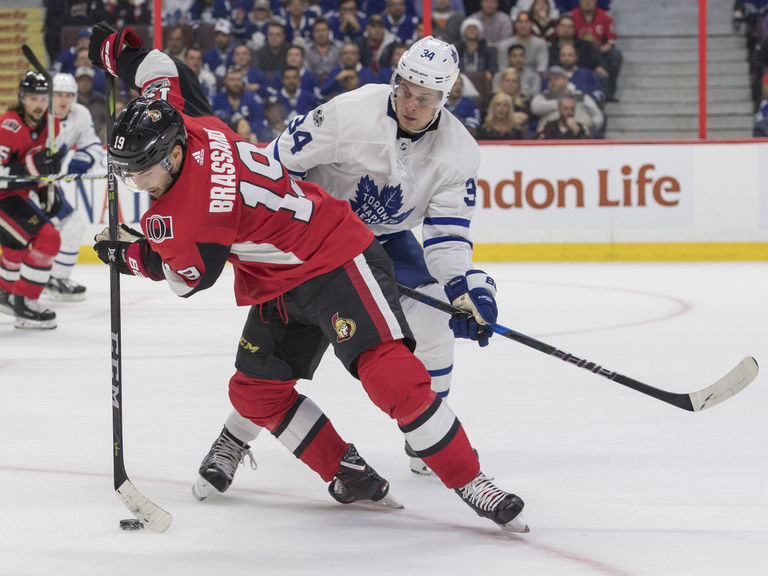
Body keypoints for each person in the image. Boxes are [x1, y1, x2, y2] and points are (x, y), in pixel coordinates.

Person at [86, 22, 529, 535]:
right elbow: (161, 71)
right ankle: (350, 472)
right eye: (405, 90)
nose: (134, 183)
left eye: (138, 171)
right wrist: (123, 56)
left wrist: (128, 255)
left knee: (391, 373)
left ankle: (472, 480)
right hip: (277, 265)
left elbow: (185, 276)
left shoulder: (195, 216)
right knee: (254, 391)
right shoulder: (188, 120)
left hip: (335, 251)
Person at [199, 33, 506, 486]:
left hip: (385, 241)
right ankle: (234, 437)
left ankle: (428, 434)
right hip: (314, 237)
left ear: (446, 96)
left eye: (426, 96)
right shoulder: (348, 112)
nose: (411, 103)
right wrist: (258, 231)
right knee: (278, 350)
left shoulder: (459, 152)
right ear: (395, 78)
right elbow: (276, 164)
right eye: (404, 88)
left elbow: (445, 238)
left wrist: (463, 290)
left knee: (435, 319)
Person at [0, 72, 65, 329]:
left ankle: (5, 293)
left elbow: (44, 167)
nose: (38, 105)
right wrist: (30, 167)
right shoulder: (8, 127)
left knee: (16, 244)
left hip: (15, 197)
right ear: (22, 99)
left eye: (42, 98)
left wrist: (48, 187)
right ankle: (24, 302)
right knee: (49, 237)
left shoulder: (52, 127)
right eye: (32, 98)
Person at [42, 73, 105, 301]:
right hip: (20, 185)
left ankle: (57, 278)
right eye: (58, 94)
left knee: (72, 224)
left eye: (68, 95)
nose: (63, 100)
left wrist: (84, 158)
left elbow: (92, 144)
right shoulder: (38, 114)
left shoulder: (80, 114)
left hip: (45, 187)